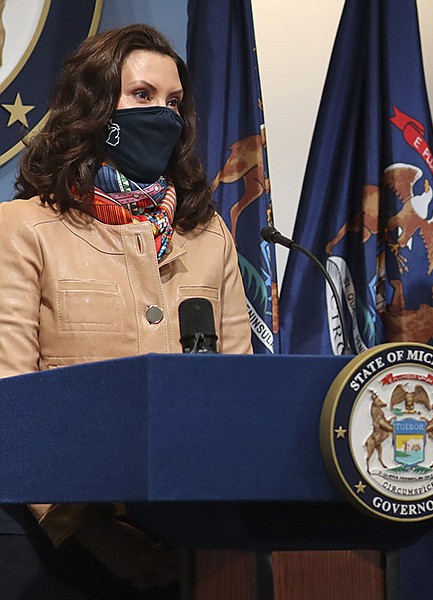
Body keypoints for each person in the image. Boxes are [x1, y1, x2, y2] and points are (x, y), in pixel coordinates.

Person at [0, 24, 252, 599]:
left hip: (190, 542)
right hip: (49, 544)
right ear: (92, 107)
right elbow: (8, 398)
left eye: (173, 103)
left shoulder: (209, 236)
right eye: (141, 96)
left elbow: (239, 395)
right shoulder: (22, 228)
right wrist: (90, 531)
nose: (161, 114)